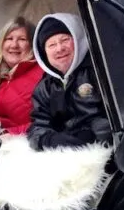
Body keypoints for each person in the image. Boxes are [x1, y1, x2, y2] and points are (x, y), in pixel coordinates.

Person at [27, 12, 111, 150]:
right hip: (66, 154)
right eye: (52, 45)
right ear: (44, 53)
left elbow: (119, 116)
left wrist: (91, 136)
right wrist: (48, 140)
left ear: (78, 40)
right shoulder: (45, 87)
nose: (59, 48)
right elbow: (37, 125)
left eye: (65, 40)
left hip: (106, 150)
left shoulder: (100, 71)